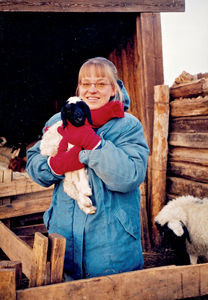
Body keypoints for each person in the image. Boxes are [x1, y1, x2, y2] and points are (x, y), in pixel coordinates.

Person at [26, 57, 149, 280]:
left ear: (113, 89)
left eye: (101, 84)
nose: (92, 90)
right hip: (64, 238)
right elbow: (34, 160)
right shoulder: (59, 119)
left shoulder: (128, 125)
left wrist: (94, 145)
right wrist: (55, 165)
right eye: (86, 83)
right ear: (79, 88)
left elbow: (130, 176)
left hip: (112, 244)